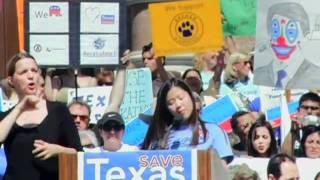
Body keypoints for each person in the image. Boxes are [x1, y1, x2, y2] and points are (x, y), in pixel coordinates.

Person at [0, 52, 82, 180]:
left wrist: (59, 150)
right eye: (23, 72)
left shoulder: (59, 110)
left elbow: (78, 153)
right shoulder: (7, 117)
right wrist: (20, 107)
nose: (31, 76)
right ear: (11, 80)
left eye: (34, 70)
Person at [141, 78, 234, 164]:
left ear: (190, 96)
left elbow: (222, 170)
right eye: (171, 103)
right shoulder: (159, 136)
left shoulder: (214, 131)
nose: (178, 105)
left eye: (181, 98)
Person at [254, 2, 320, 89]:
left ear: (305, 36)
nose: (281, 40)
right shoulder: (258, 75)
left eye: (290, 32)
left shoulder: (317, 77)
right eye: (276, 31)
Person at [281, 92, 320, 156]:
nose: (309, 111)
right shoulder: (295, 130)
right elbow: (284, 155)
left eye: (314, 108)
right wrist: (294, 129)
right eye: (305, 107)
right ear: (298, 110)